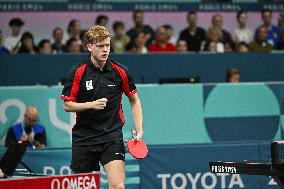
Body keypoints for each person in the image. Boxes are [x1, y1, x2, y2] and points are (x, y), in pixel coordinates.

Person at [60, 25, 143, 189]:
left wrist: (139, 129)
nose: (105, 50)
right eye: (100, 46)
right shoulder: (78, 72)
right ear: (89, 46)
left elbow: (135, 100)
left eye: (107, 45)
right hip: (84, 138)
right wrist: (91, 105)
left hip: (111, 136)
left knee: (118, 186)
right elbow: (67, 105)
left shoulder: (120, 71)